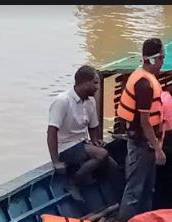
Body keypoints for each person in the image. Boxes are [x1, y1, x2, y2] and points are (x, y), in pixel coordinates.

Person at [47, 65, 121, 201]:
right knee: (102, 154)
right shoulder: (63, 101)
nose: (98, 87)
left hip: (82, 144)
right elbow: (51, 132)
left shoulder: (90, 102)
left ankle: (116, 200)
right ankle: (73, 182)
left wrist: (95, 141)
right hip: (66, 147)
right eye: (95, 83)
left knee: (113, 167)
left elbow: (93, 127)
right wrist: (55, 161)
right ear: (86, 83)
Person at [116, 38, 166, 222]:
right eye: (161, 57)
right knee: (135, 188)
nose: (162, 62)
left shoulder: (145, 78)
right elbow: (145, 122)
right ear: (153, 59)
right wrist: (158, 148)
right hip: (141, 144)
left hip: (148, 144)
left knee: (147, 188)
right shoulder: (144, 84)